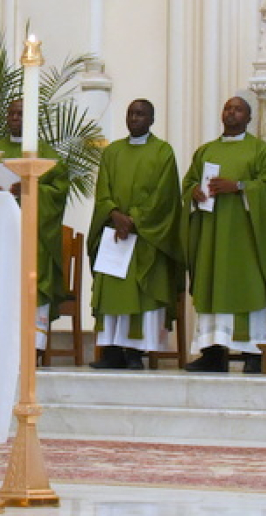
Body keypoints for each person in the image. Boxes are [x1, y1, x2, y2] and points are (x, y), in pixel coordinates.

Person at [182, 96, 266, 374]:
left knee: (248, 286)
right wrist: (193, 191)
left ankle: (253, 352)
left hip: (245, 238)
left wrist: (240, 186)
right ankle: (212, 352)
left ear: (249, 117)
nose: (231, 113)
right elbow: (189, 182)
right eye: (228, 108)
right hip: (211, 235)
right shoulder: (205, 151)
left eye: (238, 109)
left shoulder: (261, 152)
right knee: (210, 283)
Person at [87, 100, 183, 370]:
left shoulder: (163, 152)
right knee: (113, 289)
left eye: (140, 114)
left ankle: (135, 352)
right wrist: (114, 213)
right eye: (130, 113)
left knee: (142, 287)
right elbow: (102, 190)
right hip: (114, 235)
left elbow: (165, 196)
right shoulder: (112, 152)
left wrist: (135, 220)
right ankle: (112, 352)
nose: (134, 118)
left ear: (152, 119)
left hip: (147, 238)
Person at [0, 98, 69, 354]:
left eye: (20, 114)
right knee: (0, 281)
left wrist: (31, 190)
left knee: (35, 277)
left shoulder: (46, 155)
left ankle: (34, 344)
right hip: (1, 234)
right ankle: (0, 342)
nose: (14, 118)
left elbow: (58, 192)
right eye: (11, 113)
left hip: (35, 236)